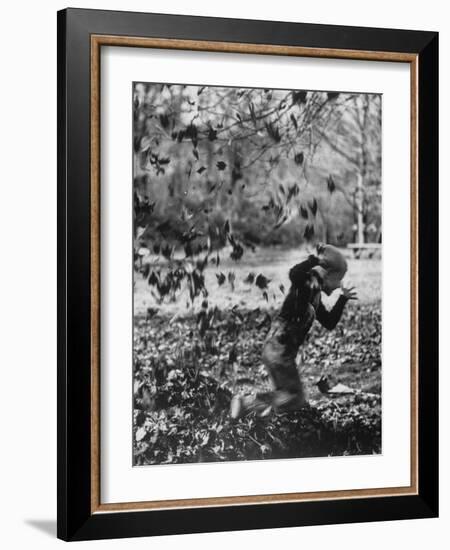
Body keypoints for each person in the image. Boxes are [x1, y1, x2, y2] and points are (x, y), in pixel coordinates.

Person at [230, 244, 357, 419]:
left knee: (286, 397)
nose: (339, 285)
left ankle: (260, 415)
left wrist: (343, 298)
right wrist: (315, 261)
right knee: (295, 398)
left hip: (278, 352)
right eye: (338, 279)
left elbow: (329, 322)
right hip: (279, 351)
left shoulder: (315, 298)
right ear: (325, 274)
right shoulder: (304, 287)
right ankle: (246, 403)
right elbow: (294, 273)